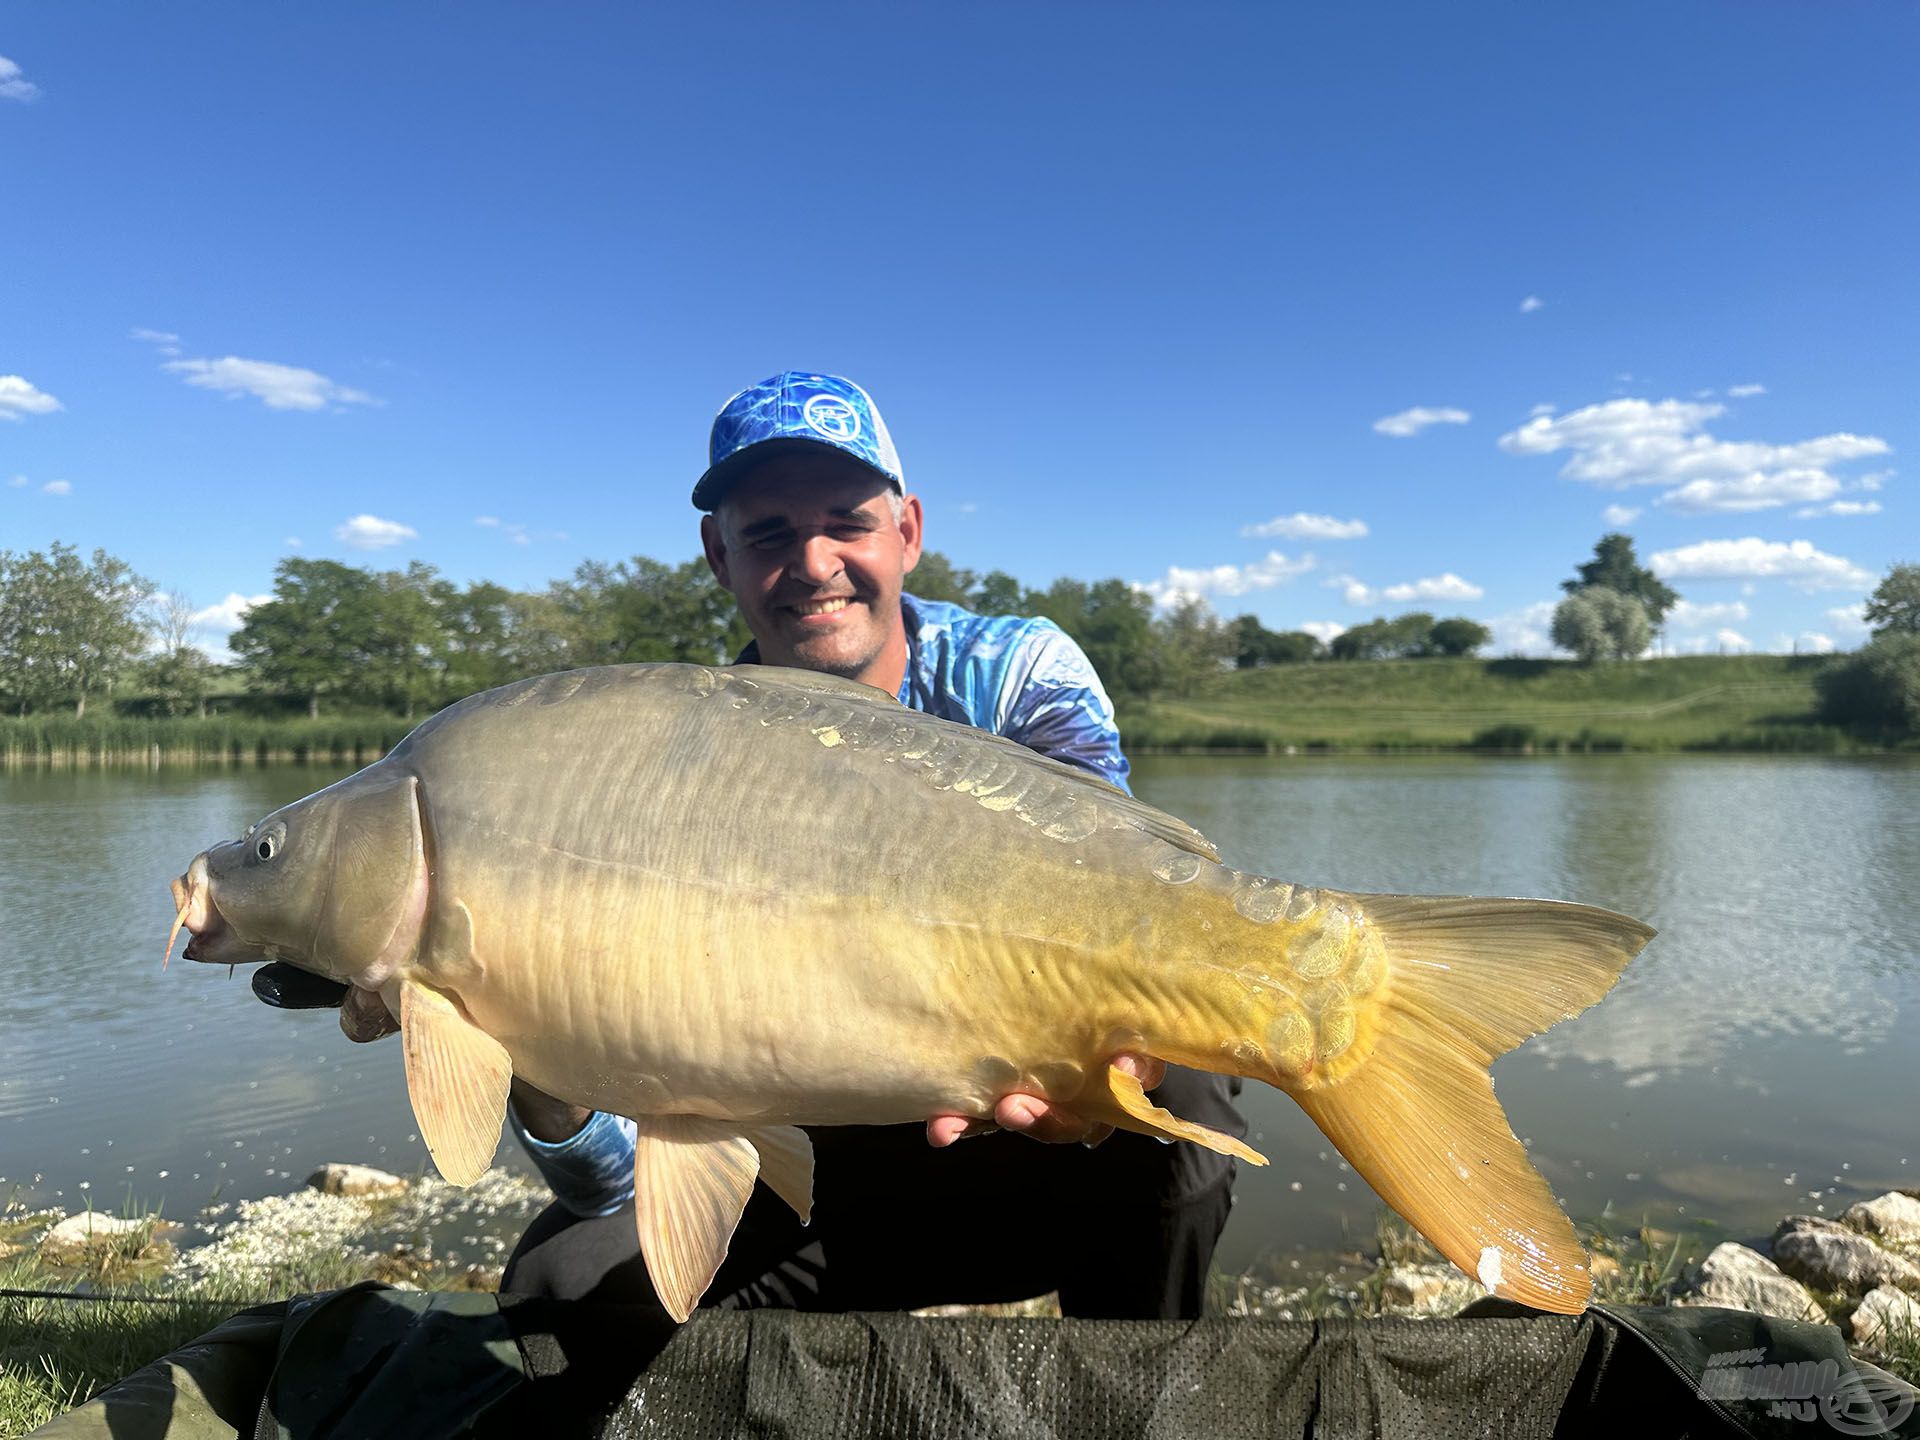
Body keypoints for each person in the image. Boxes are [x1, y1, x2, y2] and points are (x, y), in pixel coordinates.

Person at [257, 371, 1244, 1320]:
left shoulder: (1015, 673)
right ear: (718, 557)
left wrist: (1083, 1066)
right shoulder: (650, 762)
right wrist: (519, 1047)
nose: (813, 564)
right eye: (768, 534)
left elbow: (1139, 911)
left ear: (907, 532)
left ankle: (1133, 1387)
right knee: (565, 1276)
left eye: (847, 524)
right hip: (811, 1177)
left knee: (1185, 1087)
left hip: (1018, 1160)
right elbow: (603, 1183)